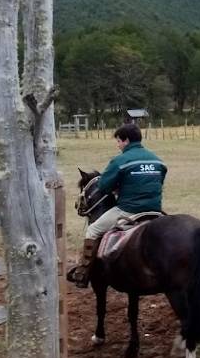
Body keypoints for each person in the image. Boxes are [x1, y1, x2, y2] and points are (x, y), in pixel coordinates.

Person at [68, 123, 167, 288]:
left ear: (126, 140)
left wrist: (118, 187)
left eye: (119, 141)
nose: (118, 145)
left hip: (128, 210)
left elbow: (104, 187)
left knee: (92, 231)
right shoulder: (157, 160)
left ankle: (83, 273)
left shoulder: (120, 160)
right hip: (155, 210)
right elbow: (159, 181)